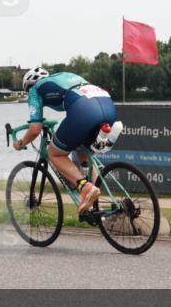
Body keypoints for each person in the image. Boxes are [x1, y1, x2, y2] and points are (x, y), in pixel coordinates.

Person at [12, 67, 117, 213]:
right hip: (107, 105)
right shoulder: (64, 76)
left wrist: (20, 143)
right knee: (83, 151)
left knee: (54, 153)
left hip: (84, 109)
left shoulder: (35, 90)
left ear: (29, 86)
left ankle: (86, 188)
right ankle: (94, 204)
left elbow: (35, 128)